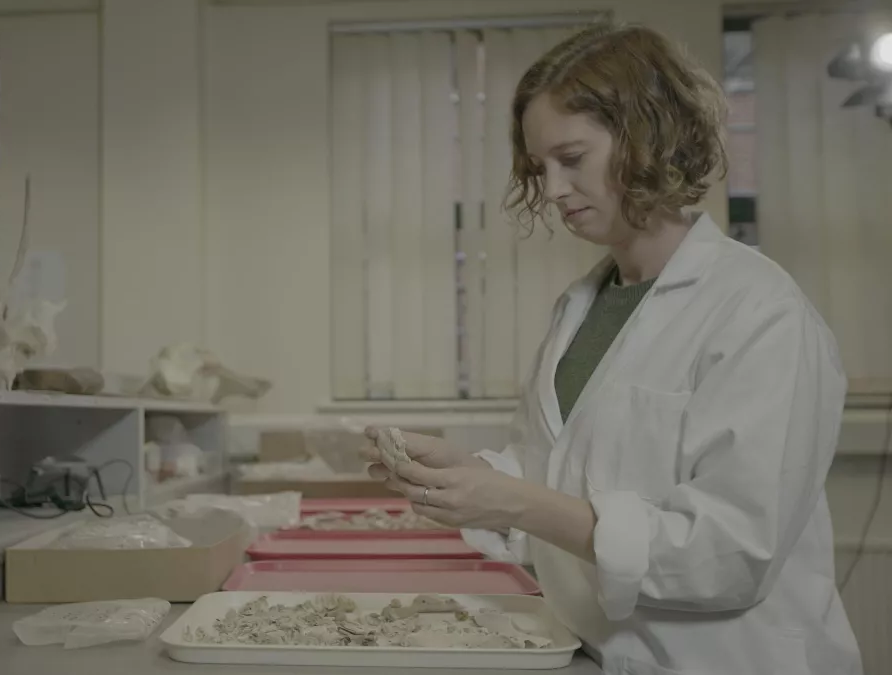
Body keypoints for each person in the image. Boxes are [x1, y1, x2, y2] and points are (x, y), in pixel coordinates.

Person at [361, 23, 863, 675]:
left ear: (647, 138)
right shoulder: (583, 306)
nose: (553, 188)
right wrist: (470, 474)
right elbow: (566, 476)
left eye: (571, 158)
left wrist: (514, 500)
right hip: (598, 650)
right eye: (538, 167)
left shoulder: (762, 314)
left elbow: (732, 553)